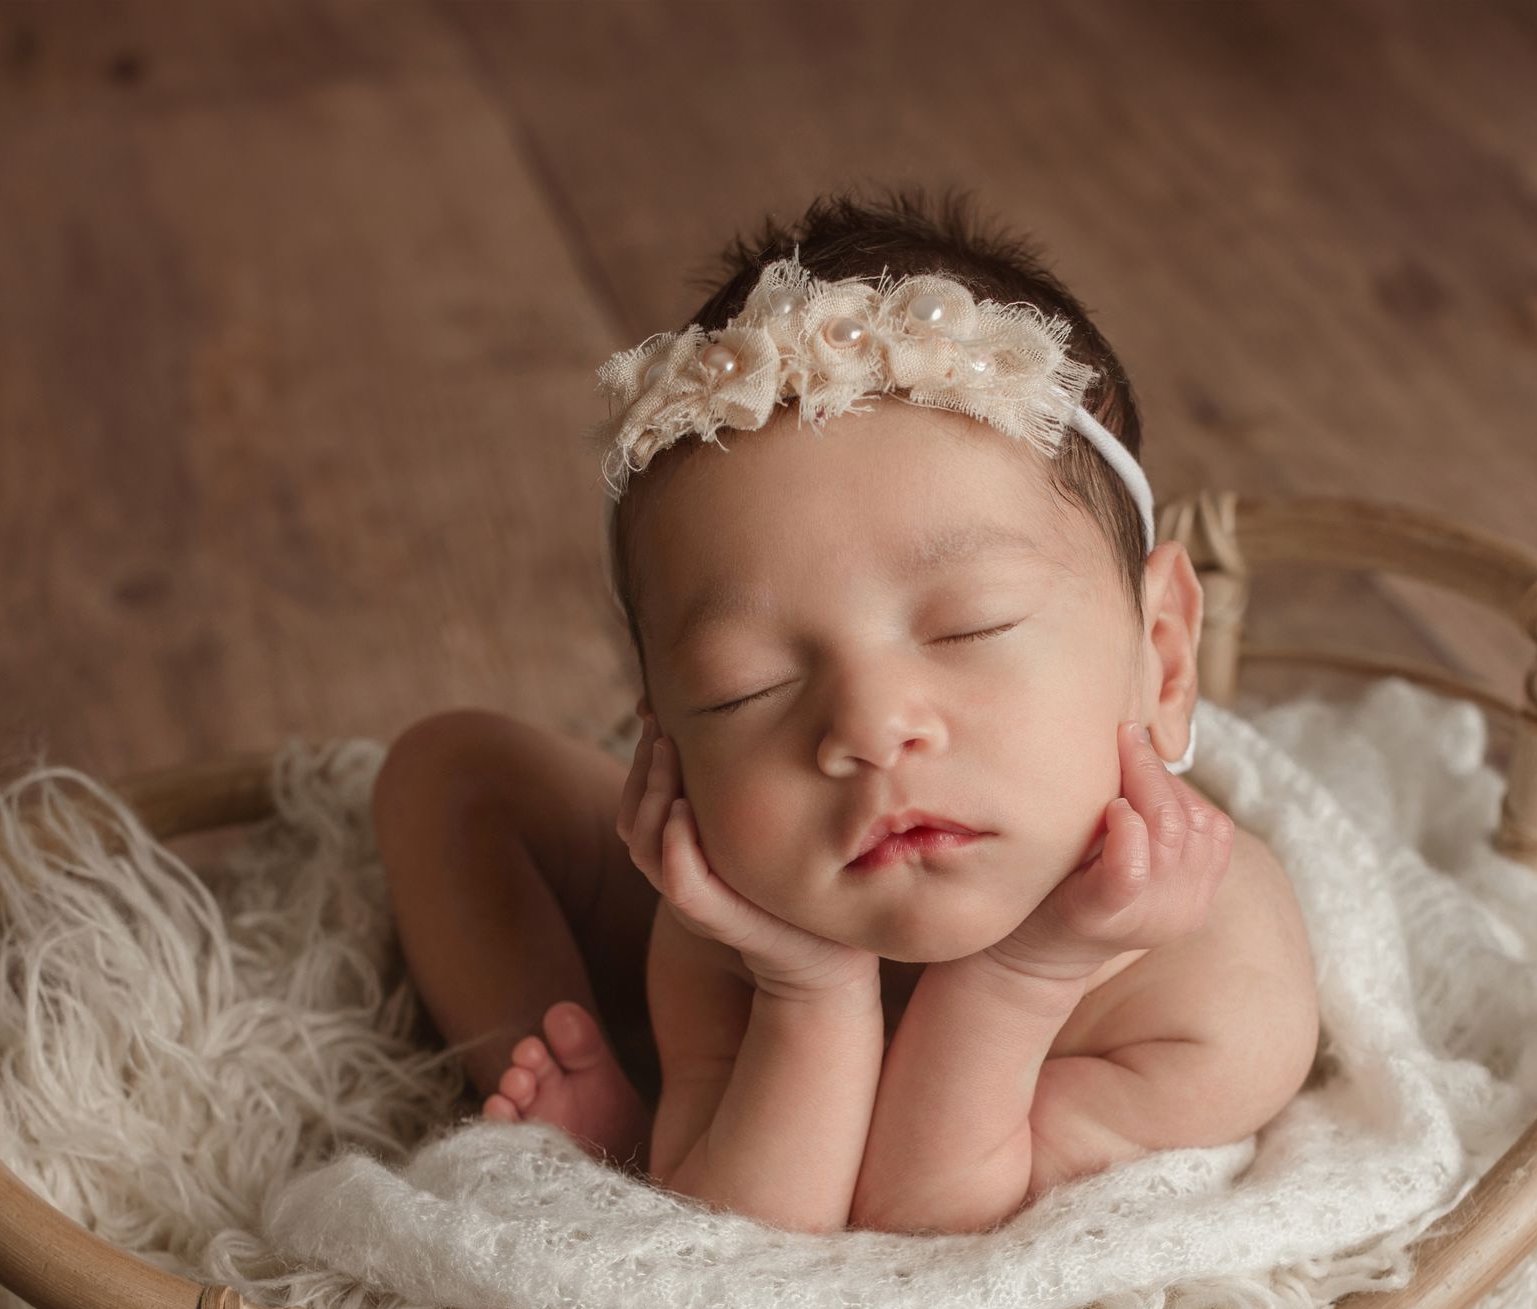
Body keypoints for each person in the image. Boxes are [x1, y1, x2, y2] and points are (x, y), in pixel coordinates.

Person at [372, 186, 1318, 1235]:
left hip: (1033, 1040)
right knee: (451, 773)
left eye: (969, 628)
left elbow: (920, 1223)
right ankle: (577, 1145)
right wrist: (803, 986)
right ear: (670, 743)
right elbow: (736, 1239)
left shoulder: (1212, 975)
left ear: (1164, 658)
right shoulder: (738, 914)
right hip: (794, 902)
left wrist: (1023, 973)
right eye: (747, 686)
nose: (868, 728)